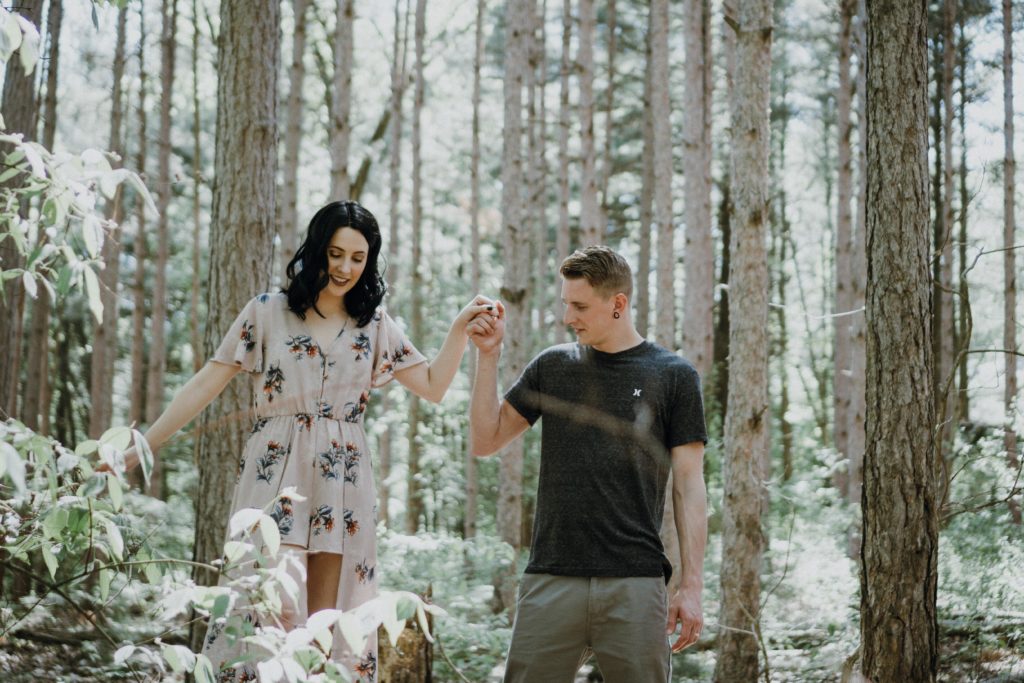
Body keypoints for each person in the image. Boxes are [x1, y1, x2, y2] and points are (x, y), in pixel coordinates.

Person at [114, 200, 497, 680]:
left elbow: (434, 386)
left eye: (358, 258)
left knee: (328, 620)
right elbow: (206, 383)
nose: (345, 268)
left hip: (343, 482)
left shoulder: (373, 324)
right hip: (274, 475)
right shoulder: (267, 313)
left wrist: (460, 327)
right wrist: (141, 448)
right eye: (336, 254)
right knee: (265, 606)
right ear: (317, 250)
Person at [466, 245, 708, 683]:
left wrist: (691, 586)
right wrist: (488, 355)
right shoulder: (553, 367)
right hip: (552, 577)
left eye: (579, 306)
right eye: (566, 304)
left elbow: (689, 487)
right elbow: (486, 440)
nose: (568, 317)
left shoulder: (673, 375)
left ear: (618, 304)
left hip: (635, 582)